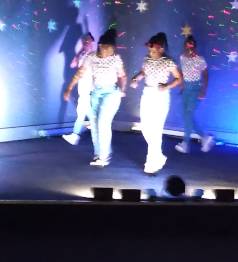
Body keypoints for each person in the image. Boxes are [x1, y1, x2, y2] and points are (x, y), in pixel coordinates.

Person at [63, 29, 126, 167]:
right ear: (99, 46)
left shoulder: (115, 58)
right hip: (96, 92)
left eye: (109, 50)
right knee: (95, 123)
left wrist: (122, 90)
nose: (106, 53)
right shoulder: (91, 57)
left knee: (103, 122)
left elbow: (122, 76)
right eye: (104, 49)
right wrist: (69, 88)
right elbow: (79, 72)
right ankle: (99, 153)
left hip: (111, 93)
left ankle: (104, 156)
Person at [130, 33, 182, 175]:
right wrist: (135, 79)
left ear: (161, 49)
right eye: (149, 51)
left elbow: (179, 78)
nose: (151, 54)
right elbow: (143, 72)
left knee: (156, 129)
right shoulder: (147, 60)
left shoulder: (168, 62)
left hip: (161, 96)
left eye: (153, 51)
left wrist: (167, 86)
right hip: (147, 94)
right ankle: (158, 156)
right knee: (146, 128)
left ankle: (151, 162)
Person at [177, 35, 215, 154]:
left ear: (195, 49)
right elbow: (182, 72)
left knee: (188, 115)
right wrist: (181, 84)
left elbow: (205, 74)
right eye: (186, 48)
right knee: (185, 116)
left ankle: (185, 143)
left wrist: (204, 89)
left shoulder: (199, 59)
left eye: (190, 48)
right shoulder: (182, 58)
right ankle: (205, 137)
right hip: (186, 88)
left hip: (195, 89)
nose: (188, 50)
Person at [63, 33, 94, 145]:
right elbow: (72, 65)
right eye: (83, 41)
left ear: (92, 42)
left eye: (87, 41)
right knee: (88, 115)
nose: (85, 43)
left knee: (82, 113)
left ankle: (75, 135)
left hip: (89, 89)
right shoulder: (82, 54)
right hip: (82, 88)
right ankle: (78, 135)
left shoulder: (94, 56)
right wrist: (80, 50)